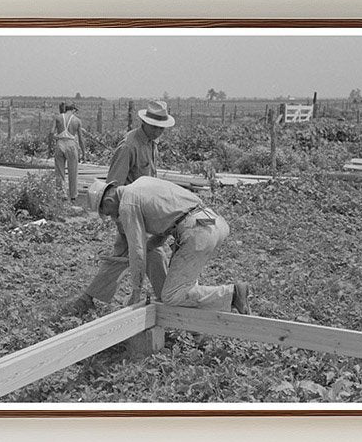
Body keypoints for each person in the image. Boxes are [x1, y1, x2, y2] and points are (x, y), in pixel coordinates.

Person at [61, 99, 174, 315]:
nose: (159, 131)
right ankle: (168, 300)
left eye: (162, 127)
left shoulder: (151, 143)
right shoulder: (129, 146)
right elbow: (112, 189)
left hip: (146, 212)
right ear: (145, 123)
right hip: (130, 213)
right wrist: (123, 221)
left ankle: (88, 299)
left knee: (128, 255)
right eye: (156, 127)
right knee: (153, 252)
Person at [87, 175, 251, 313]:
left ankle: (232, 293)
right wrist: (146, 249)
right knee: (184, 287)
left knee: (172, 295)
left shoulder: (127, 204)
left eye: (108, 213)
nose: (112, 217)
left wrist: (136, 292)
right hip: (212, 222)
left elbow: (137, 250)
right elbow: (166, 223)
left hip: (196, 231)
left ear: (109, 201)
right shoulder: (142, 182)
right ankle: (194, 330)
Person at [52, 102, 85, 203]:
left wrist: (50, 147)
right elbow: (80, 138)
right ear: (74, 110)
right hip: (71, 144)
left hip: (60, 143)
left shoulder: (57, 118)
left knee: (59, 172)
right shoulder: (77, 121)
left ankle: (61, 195)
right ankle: (73, 196)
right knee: (73, 171)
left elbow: (51, 132)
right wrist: (84, 152)